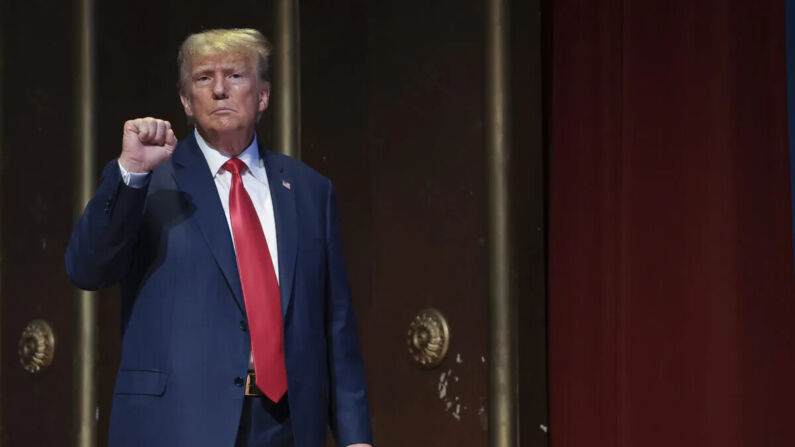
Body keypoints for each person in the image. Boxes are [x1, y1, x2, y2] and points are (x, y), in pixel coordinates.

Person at [65, 28, 373, 447]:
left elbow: (336, 326)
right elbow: (86, 268)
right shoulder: (148, 181)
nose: (220, 90)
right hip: (178, 424)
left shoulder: (309, 191)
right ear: (185, 101)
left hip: (286, 426)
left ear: (263, 96)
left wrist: (355, 438)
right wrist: (131, 172)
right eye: (204, 78)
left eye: (235, 76)